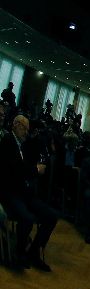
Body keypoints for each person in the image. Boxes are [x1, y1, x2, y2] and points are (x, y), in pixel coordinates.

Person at [0, 115, 59, 271]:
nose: (26, 132)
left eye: (27, 129)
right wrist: (35, 169)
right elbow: (15, 169)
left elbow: (25, 166)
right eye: (24, 128)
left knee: (51, 216)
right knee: (28, 218)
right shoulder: (7, 141)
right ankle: (19, 254)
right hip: (10, 192)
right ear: (15, 125)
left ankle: (33, 252)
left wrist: (35, 167)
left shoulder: (22, 145)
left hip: (24, 192)